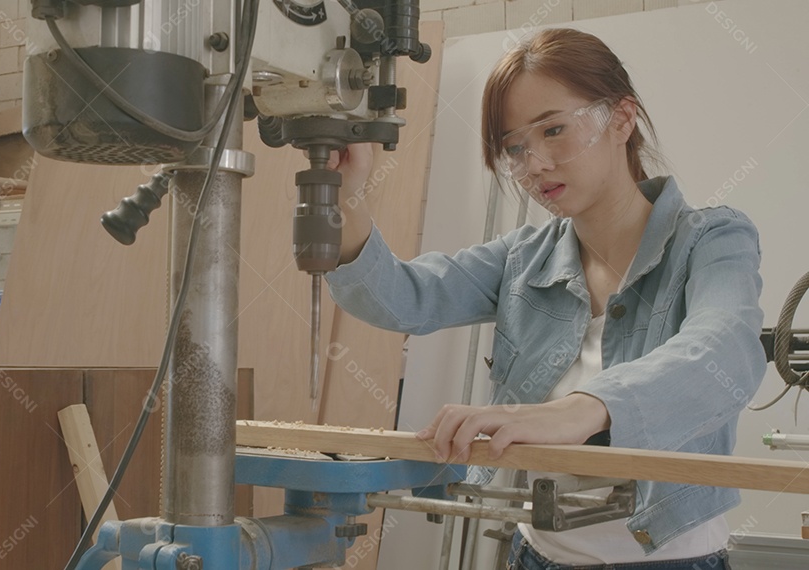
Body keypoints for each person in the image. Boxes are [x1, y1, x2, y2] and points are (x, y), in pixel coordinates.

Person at [324, 28, 765, 569]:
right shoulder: (524, 258)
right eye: (515, 148)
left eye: (553, 130)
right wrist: (347, 194)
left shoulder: (712, 240)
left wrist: (582, 409)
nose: (533, 166)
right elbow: (406, 300)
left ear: (622, 119)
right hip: (536, 555)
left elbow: (723, 348)